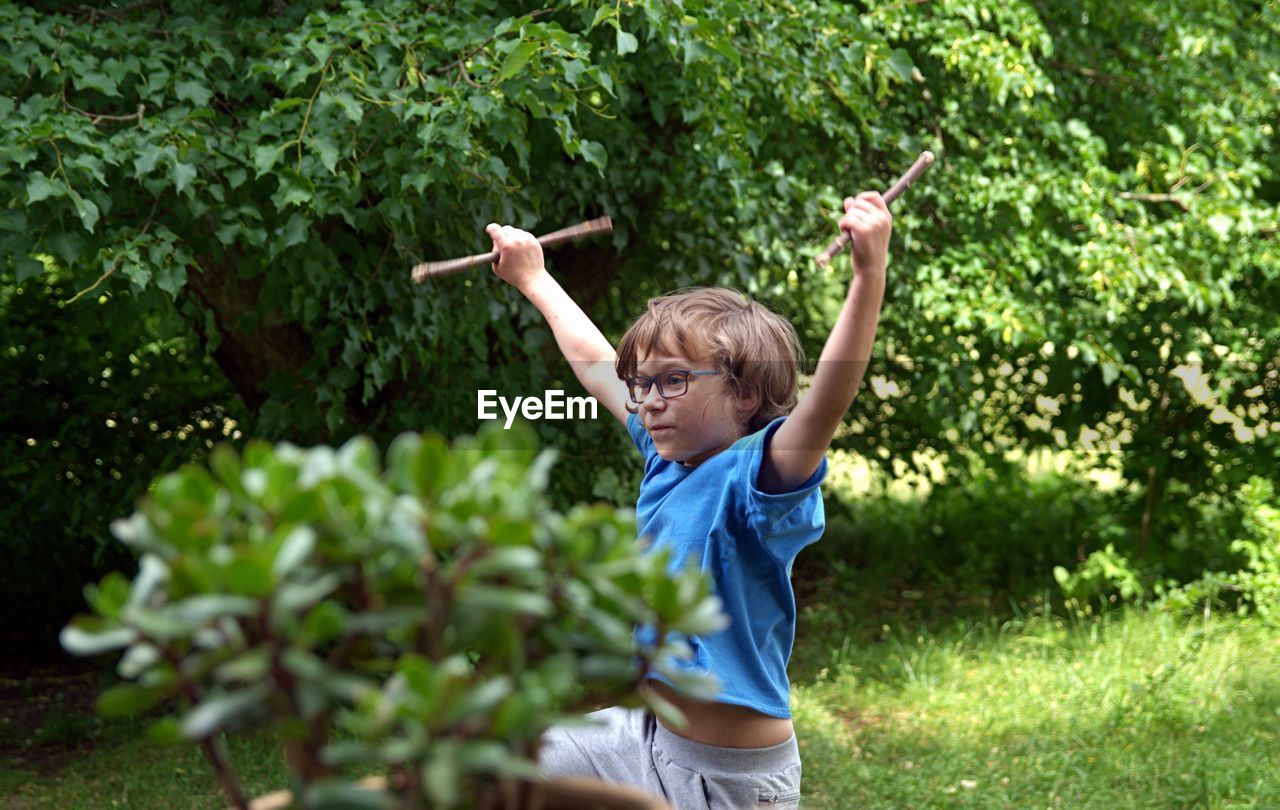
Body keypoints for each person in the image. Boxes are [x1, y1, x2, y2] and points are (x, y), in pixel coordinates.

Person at [484, 191, 892, 809]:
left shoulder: (759, 478)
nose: (648, 399)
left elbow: (828, 399)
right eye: (642, 382)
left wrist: (869, 274)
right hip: (642, 738)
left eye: (673, 379)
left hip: (732, 779)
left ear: (745, 395)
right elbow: (596, 365)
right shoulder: (663, 453)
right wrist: (535, 277)